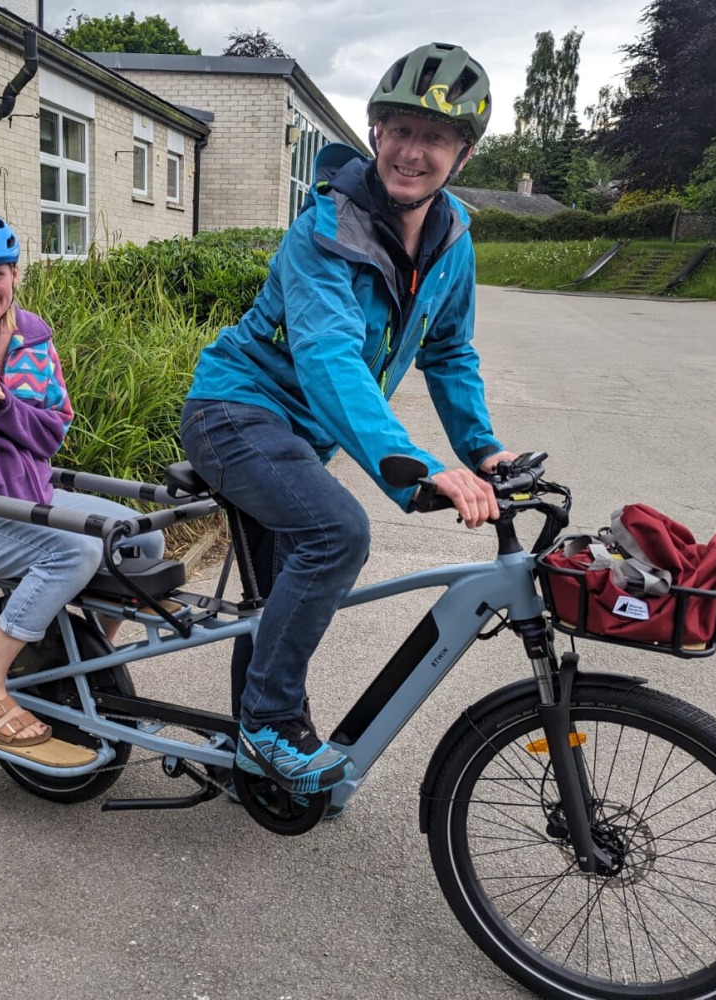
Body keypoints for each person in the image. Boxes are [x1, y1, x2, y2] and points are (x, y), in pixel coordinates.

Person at [179, 42, 518, 794]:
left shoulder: (452, 237)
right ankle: (269, 727)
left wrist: (483, 451)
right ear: (373, 134)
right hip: (234, 412)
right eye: (397, 129)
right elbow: (330, 358)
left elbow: (450, 353)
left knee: (276, 601)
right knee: (336, 532)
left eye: (433, 137)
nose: (410, 150)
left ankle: (253, 753)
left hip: (298, 438)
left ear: (461, 155)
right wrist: (412, 464)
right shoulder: (323, 231)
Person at [0, 210, 164, 748]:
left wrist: (4, 406)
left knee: (143, 535)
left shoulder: (37, 343)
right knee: (73, 553)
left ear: (16, 275)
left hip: (29, 496)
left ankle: (86, 654)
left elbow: (51, 435)